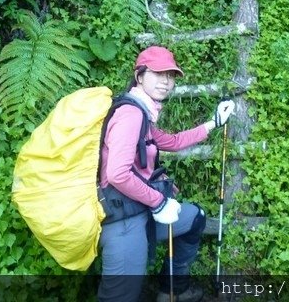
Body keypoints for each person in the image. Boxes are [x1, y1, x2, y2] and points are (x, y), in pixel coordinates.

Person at [97, 46, 235, 302]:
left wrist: (213, 122)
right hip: (122, 220)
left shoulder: (143, 115)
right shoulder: (130, 114)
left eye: (171, 75)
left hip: (140, 210)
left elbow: (171, 141)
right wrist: (159, 201)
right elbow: (117, 174)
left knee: (195, 217)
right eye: (158, 73)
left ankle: (172, 290)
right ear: (139, 76)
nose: (166, 81)